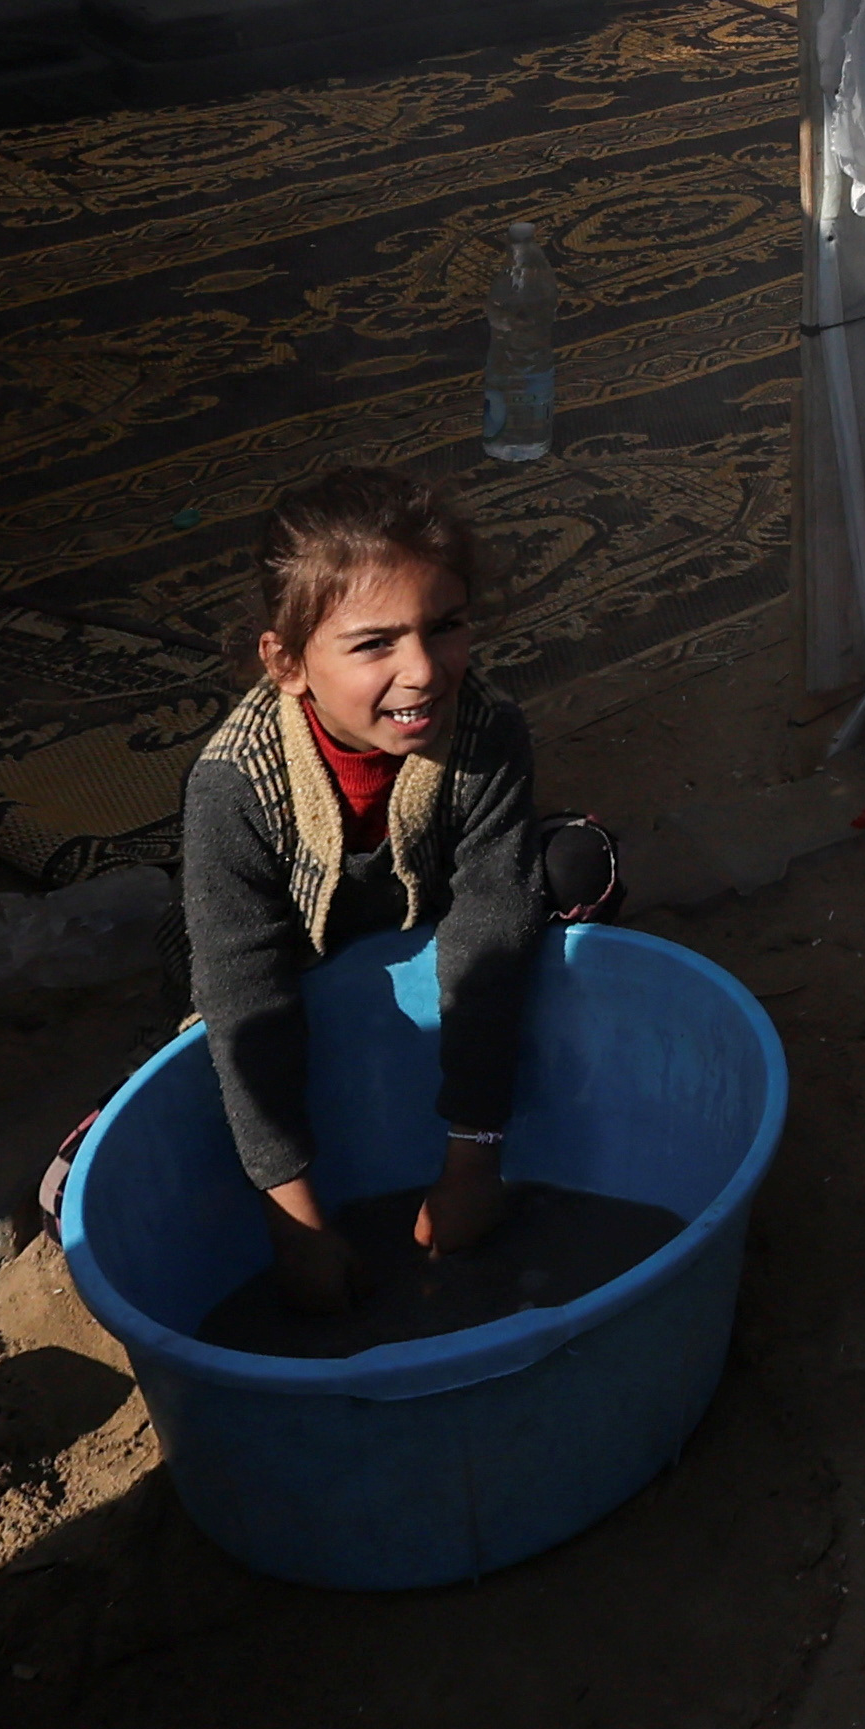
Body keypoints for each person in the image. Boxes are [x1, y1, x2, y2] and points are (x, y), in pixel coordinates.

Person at [181, 470, 568, 1312]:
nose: (423, 670)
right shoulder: (234, 786)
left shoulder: (485, 732)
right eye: (373, 644)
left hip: (428, 933)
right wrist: (295, 1221)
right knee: (197, 1077)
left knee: (571, 872)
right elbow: (245, 998)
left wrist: (473, 1159)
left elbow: (488, 941)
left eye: (446, 626)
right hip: (307, 964)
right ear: (287, 663)